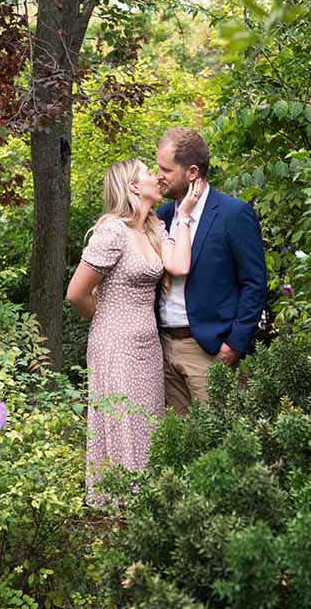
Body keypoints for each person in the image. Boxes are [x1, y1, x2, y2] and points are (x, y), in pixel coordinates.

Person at [66, 158, 200, 502]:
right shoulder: (112, 231)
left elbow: (180, 265)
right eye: (148, 173)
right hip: (115, 343)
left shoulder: (154, 228)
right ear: (133, 187)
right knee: (123, 421)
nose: (157, 176)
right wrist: (108, 320)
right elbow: (75, 293)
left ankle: (147, 503)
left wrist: (184, 213)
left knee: (147, 421)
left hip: (148, 344)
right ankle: (121, 503)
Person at [154, 127, 268, 416]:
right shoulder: (163, 216)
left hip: (210, 350)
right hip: (164, 347)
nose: (158, 176)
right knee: (178, 444)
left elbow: (254, 284)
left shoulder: (234, 214)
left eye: (166, 169)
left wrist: (234, 345)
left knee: (220, 440)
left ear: (192, 172)